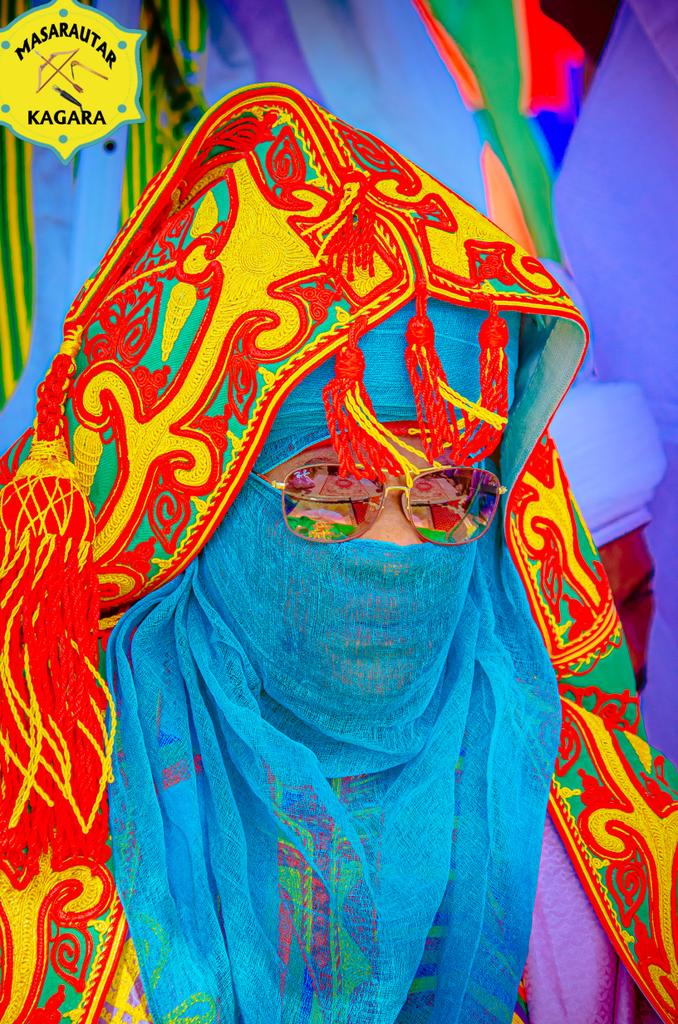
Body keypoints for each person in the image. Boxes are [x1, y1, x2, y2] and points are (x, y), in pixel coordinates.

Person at [0, 84, 674, 1024]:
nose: (397, 550)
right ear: (203, 507)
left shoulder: (577, 837)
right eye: (328, 493)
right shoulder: (62, 825)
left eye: (446, 497)